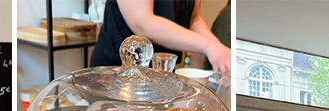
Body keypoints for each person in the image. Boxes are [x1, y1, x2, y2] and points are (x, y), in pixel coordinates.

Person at [90, 0, 231, 80]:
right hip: (119, 73)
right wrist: (209, 46)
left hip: (160, 74)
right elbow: (142, 22)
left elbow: (194, 19)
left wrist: (219, 49)